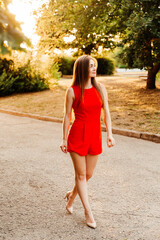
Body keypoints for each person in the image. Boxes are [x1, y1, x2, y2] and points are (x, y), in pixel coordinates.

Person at [60, 55, 115, 229]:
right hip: (77, 134)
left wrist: (110, 134)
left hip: (94, 134)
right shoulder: (72, 91)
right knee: (81, 175)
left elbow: (106, 112)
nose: (94, 68)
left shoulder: (101, 88)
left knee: (88, 174)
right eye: (91, 66)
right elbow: (67, 116)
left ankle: (72, 195)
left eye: (95, 65)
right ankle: (88, 212)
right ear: (82, 68)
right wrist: (63, 139)